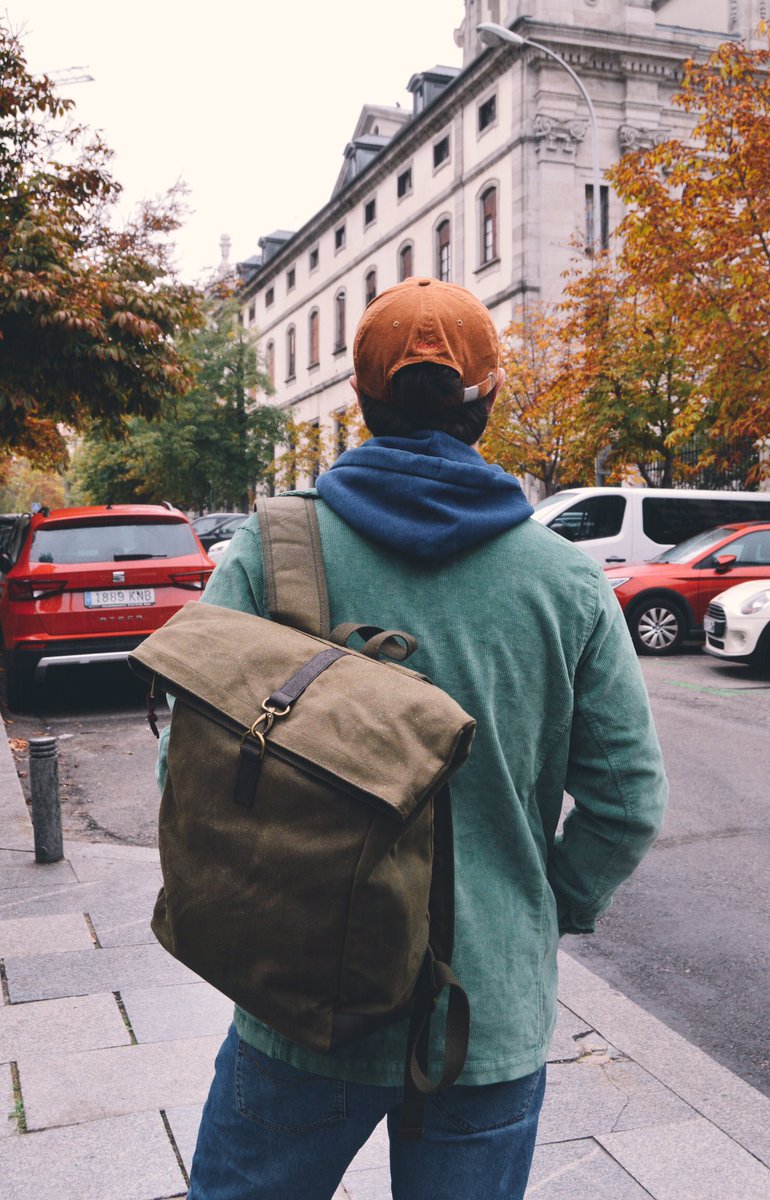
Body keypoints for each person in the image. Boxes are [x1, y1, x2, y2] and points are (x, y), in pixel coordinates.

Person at [165, 277, 668, 1200]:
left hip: (301, 992)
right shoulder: (567, 583)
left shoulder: (271, 550)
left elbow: (189, 759)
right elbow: (628, 801)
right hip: (485, 1011)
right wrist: (541, 906)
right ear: (490, 403)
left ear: (359, 400)